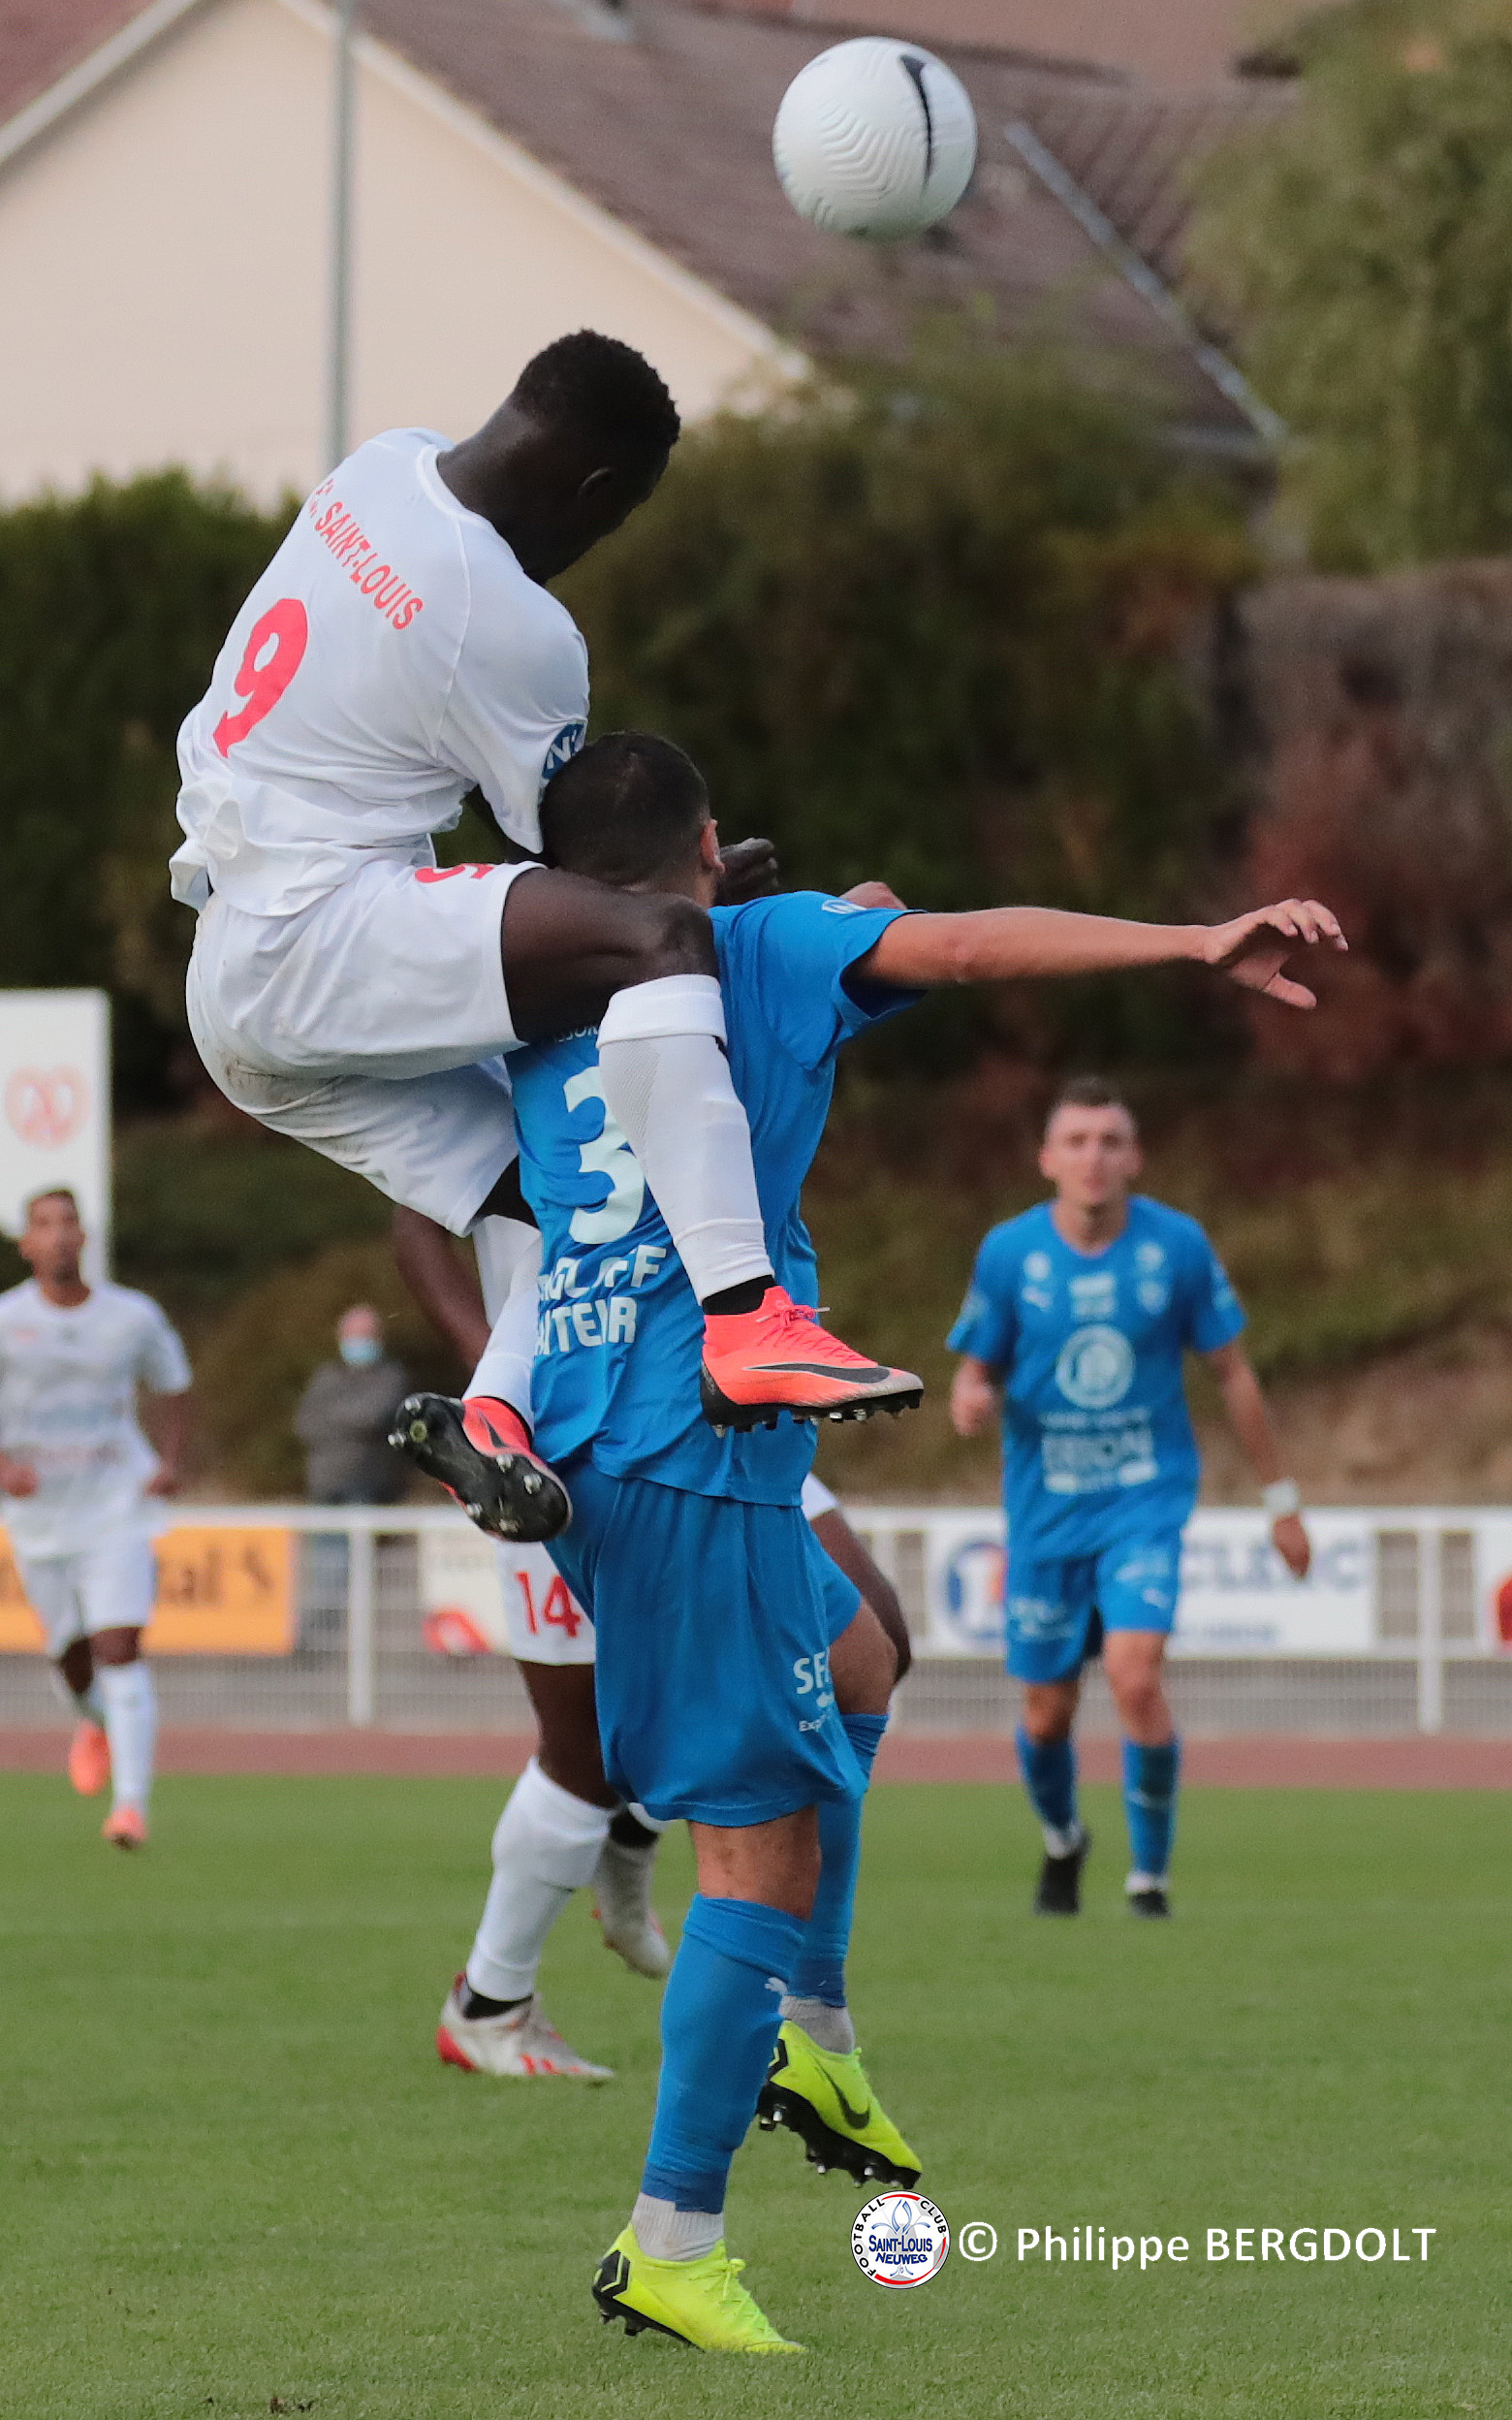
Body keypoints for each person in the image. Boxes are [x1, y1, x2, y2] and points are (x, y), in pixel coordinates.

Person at [406, 729, 1342, 2352]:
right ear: (712, 844)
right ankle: (675, 2241)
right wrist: (1195, 940)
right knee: (754, 1855)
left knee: (862, 1653)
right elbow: (967, 944)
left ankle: (815, 2035)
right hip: (686, 1443)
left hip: (612, 1425)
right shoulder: (754, 946)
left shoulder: (540, 985)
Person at [173, 331, 917, 1557]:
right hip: (318, 935)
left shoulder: (382, 467)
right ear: (598, 491)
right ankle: (748, 1315)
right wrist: (701, 893)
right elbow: (588, 869)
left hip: (233, 970)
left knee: (570, 1184)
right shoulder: (511, 622)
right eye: (612, 523)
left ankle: (498, 1419)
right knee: (662, 940)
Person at [392, 1208, 911, 2086]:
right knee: (583, 1752)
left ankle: (648, 1843)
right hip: (570, 1434)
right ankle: (489, 2003)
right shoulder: (507, 1109)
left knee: (875, 1640)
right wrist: (503, 1399)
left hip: (711, 1405)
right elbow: (416, 1220)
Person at [948, 1076, 1313, 1921]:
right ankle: (1063, 1838)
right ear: (1047, 1159)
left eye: (1111, 1141)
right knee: (1047, 1713)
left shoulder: (1175, 1246)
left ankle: (1149, 1877)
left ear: (1135, 1157)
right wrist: (970, 1394)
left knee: (1134, 1677)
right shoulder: (1010, 1253)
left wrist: (1282, 1500)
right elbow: (977, 1365)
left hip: (1145, 1502)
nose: (1094, 1157)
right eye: (1077, 1141)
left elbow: (1233, 1373)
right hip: (1045, 1514)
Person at [0, 1190, 191, 1848]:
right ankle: (94, 1722)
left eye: (68, 1223)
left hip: (116, 1506)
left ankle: (130, 1807)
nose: (58, 1235)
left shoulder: (131, 1317)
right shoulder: (7, 1320)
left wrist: (169, 1461)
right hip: (41, 1518)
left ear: (84, 1236)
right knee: (75, 1663)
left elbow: (175, 1386)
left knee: (121, 1649)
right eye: (44, 1225)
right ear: (26, 1243)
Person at [294, 1305, 410, 1504]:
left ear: (379, 1338)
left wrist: (331, 1417)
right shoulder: (325, 1376)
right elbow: (305, 1423)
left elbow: (374, 1418)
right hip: (323, 1487)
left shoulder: (392, 1377)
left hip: (372, 1488)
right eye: (353, 1335)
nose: (358, 1341)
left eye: (364, 1335)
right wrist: (350, 1421)